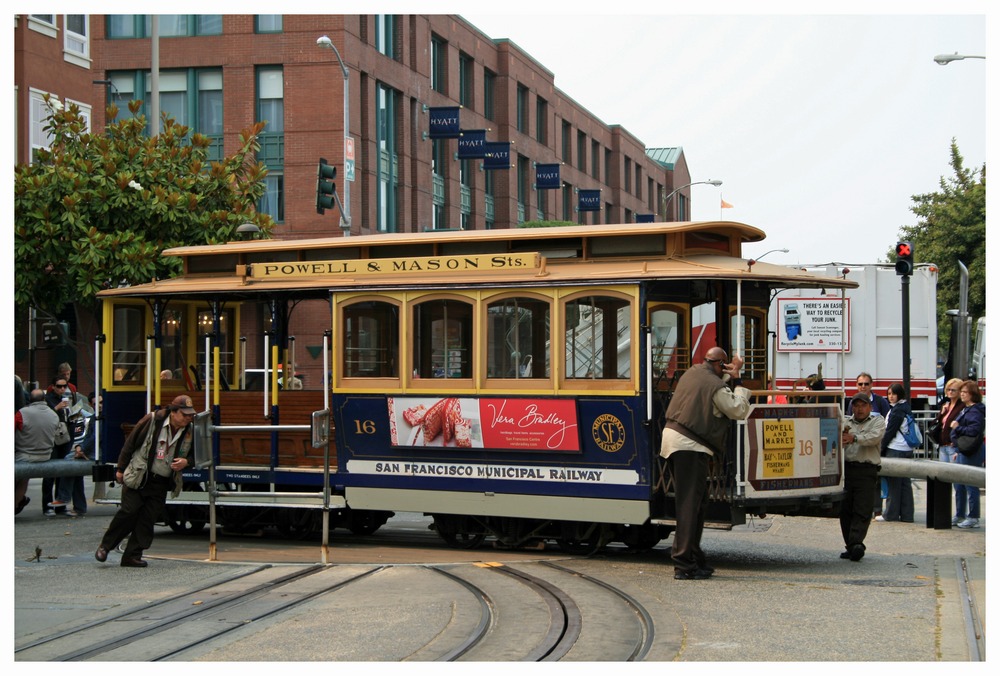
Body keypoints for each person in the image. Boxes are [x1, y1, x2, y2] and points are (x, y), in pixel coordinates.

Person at [661, 346, 751, 580]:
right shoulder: (715, 386)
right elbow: (738, 410)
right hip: (690, 445)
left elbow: (713, 383)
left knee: (696, 504)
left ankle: (693, 558)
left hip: (675, 439)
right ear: (720, 364)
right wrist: (738, 382)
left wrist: (725, 374)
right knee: (690, 506)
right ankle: (683, 563)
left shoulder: (693, 373)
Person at [95, 395, 197, 567]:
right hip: (139, 476)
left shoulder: (190, 430)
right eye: (185, 414)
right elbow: (130, 443)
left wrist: (187, 462)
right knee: (128, 512)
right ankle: (105, 546)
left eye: (190, 415)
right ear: (173, 412)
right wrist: (120, 469)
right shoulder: (152, 420)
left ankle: (132, 555)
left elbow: (198, 456)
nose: (188, 418)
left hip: (161, 481)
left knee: (148, 518)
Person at [839, 393, 886, 561]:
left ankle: (857, 543)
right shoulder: (845, 422)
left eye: (862, 406)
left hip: (866, 470)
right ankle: (851, 545)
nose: (859, 409)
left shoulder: (877, 421)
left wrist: (854, 438)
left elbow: (874, 438)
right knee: (845, 510)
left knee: (862, 509)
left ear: (869, 407)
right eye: (856, 405)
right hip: (847, 470)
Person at [850, 372, 890, 519]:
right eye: (860, 384)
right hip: (856, 454)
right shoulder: (852, 402)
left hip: (874, 450)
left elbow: (887, 423)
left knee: (876, 482)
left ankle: (878, 510)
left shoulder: (881, 401)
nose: (863, 386)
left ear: (871, 385)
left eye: (866, 384)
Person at [14, 389, 60, 514]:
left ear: (30, 399)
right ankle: (16, 503)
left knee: (20, 479)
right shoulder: (53, 414)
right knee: (24, 479)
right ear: (44, 399)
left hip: (24, 455)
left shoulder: (21, 413)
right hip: (45, 455)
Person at [52, 393, 98, 516]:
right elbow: (89, 437)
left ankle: (65, 497)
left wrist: (82, 450)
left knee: (70, 462)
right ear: (91, 405)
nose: (99, 406)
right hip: (93, 451)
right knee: (74, 467)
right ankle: (79, 506)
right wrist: (79, 448)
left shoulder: (99, 417)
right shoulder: (95, 417)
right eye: (96, 404)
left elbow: (94, 437)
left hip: (97, 454)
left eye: (101, 403)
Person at [949, 380, 985, 529]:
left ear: (972, 394)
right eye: (961, 392)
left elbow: (974, 430)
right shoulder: (966, 408)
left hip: (971, 451)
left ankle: (973, 516)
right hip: (963, 450)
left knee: (970, 484)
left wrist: (957, 428)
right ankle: (960, 514)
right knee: (959, 484)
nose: (961, 394)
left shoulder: (975, 410)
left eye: (965, 392)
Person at [880, 383, 915, 523]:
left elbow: (890, 432)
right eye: (889, 394)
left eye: (893, 393)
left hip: (895, 449)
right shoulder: (906, 407)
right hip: (906, 449)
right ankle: (907, 515)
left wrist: (881, 448)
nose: (890, 396)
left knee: (893, 484)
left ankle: (890, 514)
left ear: (899, 394)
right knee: (905, 484)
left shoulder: (896, 410)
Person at [42, 375, 74, 515]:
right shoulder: (48, 399)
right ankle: (47, 505)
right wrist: (57, 407)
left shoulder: (70, 396)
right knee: (50, 473)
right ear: (53, 386)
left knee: (62, 471)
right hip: (53, 438)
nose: (62, 389)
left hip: (66, 436)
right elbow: (46, 417)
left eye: (64, 386)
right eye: (59, 386)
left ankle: (60, 504)